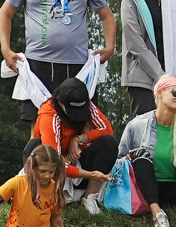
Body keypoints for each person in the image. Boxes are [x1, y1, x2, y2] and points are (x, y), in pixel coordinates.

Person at [118, 74, 176, 227]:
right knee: (139, 153)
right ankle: (158, 214)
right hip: (146, 189)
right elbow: (119, 159)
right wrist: (127, 158)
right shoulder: (137, 124)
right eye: (175, 92)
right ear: (159, 93)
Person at [32, 76, 117, 211]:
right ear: (60, 103)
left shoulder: (86, 104)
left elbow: (107, 129)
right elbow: (55, 161)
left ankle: (89, 198)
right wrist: (90, 175)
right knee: (34, 145)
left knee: (108, 142)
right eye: (73, 111)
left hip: (75, 162)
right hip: (52, 169)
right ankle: (42, 196)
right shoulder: (49, 115)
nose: (77, 115)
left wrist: (79, 138)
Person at [117, 0, 168, 117]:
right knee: (145, 132)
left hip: (170, 76)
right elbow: (135, 44)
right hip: (143, 80)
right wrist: (160, 75)